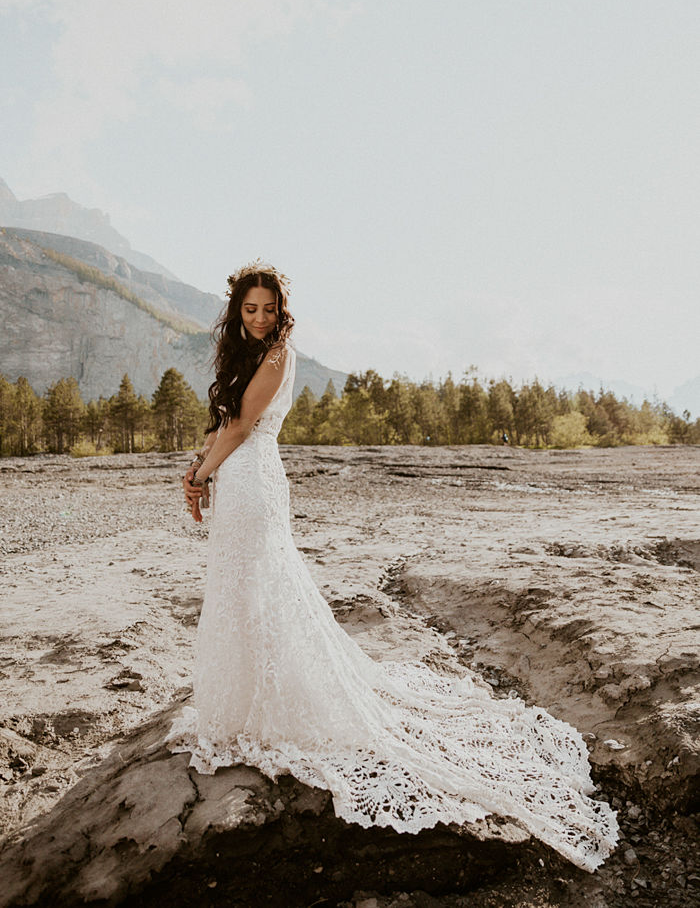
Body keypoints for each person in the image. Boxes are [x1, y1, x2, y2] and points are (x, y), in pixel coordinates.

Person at [165, 260, 619, 873]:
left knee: (264, 587)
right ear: (236, 310)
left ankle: (275, 702)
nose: (260, 318)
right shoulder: (244, 355)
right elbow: (225, 424)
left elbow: (245, 425)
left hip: (253, 484)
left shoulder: (278, 356)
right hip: (236, 478)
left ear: (281, 311)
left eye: (269, 309)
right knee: (242, 588)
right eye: (250, 309)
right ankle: (244, 696)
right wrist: (200, 466)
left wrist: (199, 474)